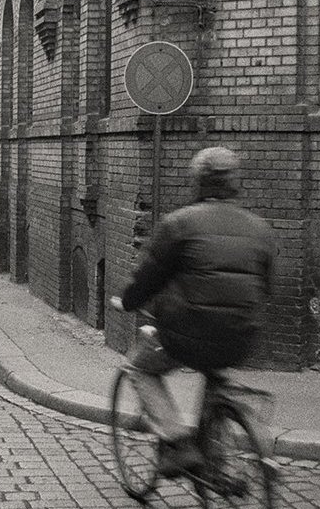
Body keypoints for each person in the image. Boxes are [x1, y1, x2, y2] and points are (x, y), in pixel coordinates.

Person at [110, 146, 276, 478]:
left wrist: (127, 302)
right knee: (215, 368)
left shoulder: (179, 224)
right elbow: (266, 288)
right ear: (234, 184)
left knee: (139, 368)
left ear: (197, 183)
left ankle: (177, 442)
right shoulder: (261, 229)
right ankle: (232, 452)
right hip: (243, 336)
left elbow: (148, 277)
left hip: (186, 336)